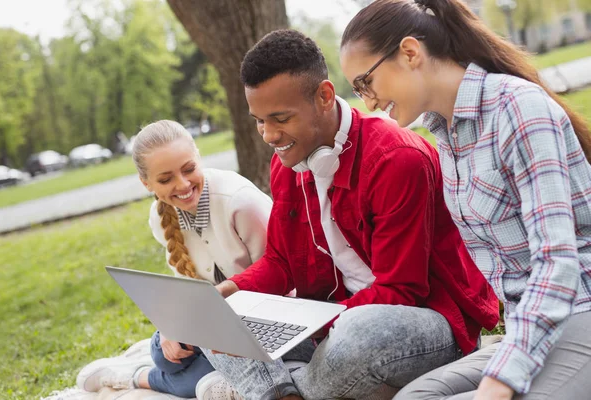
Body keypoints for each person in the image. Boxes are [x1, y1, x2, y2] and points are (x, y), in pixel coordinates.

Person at [196, 29, 499, 400]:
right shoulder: (286, 164)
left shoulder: (396, 160)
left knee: (358, 333)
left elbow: (400, 292)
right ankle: (284, 392)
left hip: (422, 324)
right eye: (259, 120)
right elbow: (280, 262)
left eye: (280, 118)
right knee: (217, 320)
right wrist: (234, 290)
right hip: (330, 324)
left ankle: (270, 388)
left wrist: (308, 324)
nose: (269, 135)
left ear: (324, 96)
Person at [339, 1, 591, 399]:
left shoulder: (517, 109)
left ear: (409, 53)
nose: (367, 102)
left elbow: (558, 264)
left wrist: (505, 377)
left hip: (579, 310)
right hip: (527, 328)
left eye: (365, 82)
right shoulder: (445, 136)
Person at [75, 120, 273, 399]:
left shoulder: (239, 202)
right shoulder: (160, 217)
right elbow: (189, 287)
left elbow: (278, 277)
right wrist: (173, 325)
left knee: (190, 376)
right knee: (164, 352)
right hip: (214, 321)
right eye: (166, 179)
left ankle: (136, 378)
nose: (182, 184)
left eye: (189, 169)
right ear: (146, 183)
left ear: (199, 159)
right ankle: (170, 367)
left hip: (258, 319)